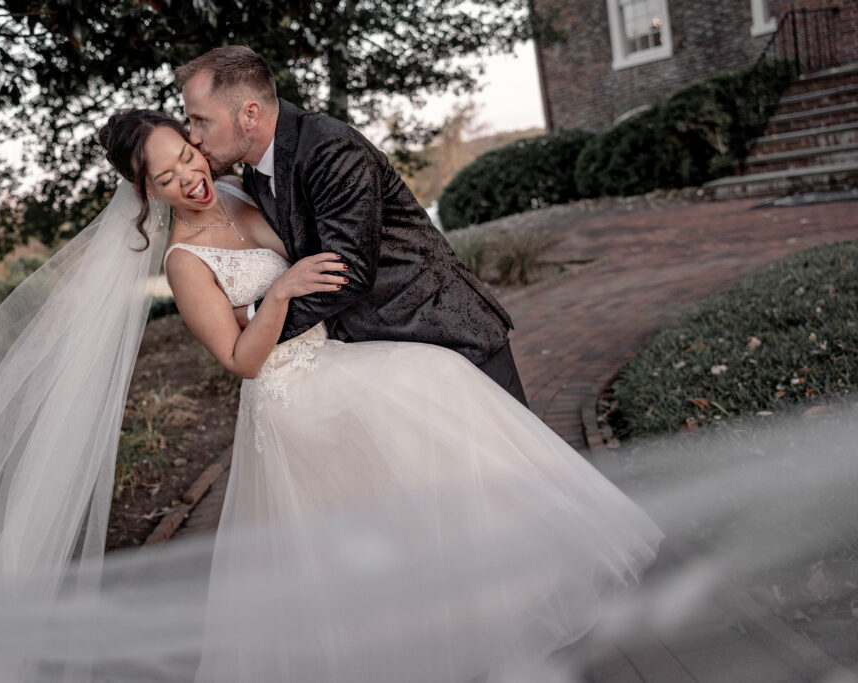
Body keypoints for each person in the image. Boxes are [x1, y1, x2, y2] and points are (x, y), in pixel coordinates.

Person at [98, 108, 663, 682]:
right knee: (397, 472)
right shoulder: (185, 263)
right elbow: (240, 360)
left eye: (187, 155)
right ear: (146, 191)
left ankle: (496, 607)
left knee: (425, 478)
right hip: (294, 396)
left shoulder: (239, 189)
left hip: (336, 356)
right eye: (166, 178)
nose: (188, 176)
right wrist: (279, 295)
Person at [176, 45, 529, 406]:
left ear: (249, 113)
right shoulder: (253, 176)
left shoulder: (330, 149)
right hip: (387, 361)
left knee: (519, 459)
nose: (193, 137)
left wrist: (254, 315)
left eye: (201, 120)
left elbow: (348, 272)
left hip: (444, 334)